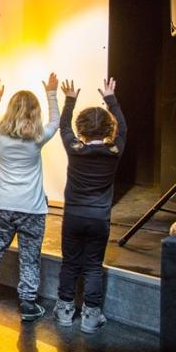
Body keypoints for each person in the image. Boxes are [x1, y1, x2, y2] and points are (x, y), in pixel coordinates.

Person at [0, 74, 60, 321]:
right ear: (35, 114)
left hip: (3, 209)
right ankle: (28, 304)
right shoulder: (38, 139)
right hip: (33, 210)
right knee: (30, 258)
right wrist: (52, 93)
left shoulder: (0, 139)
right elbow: (56, 120)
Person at [53, 78, 127, 334]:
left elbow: (63, 126)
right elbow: (124, 129)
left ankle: (64, 311)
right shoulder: (114, 150)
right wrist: (111, 99)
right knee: (93, 265)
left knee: (70, 263)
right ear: (109, 129)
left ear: (80, 129)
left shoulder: (75, 149)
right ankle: (90, 317)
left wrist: (70, 99)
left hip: (73, 216)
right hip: (99, 219)